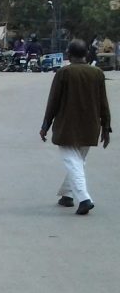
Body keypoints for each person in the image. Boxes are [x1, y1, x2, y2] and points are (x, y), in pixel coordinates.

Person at [40, 38, 111, 215]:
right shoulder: (97, 73)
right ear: (87, 54)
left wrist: (45, 125)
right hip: (91, 127)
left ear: (68, 55)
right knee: (78, 161)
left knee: (73, 162)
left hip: (67, 127)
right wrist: (106, 127)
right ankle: (67, 195)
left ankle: (85, 199)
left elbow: (53, 102)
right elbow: (104, 103)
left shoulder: (64, 73)